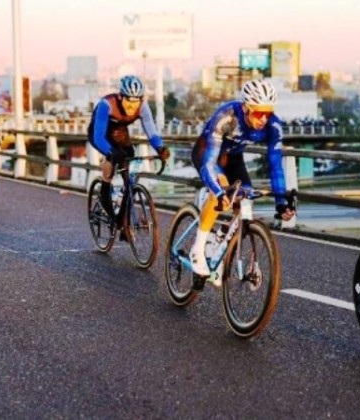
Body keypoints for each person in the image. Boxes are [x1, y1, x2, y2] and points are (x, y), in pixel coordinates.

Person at [189, 79, 296, 278]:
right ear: (246, 107)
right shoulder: (227, 117)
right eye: (258, 112)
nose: (263, 118)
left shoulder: (273, 126)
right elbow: (209, 163)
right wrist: (219, 192)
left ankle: (221, 237)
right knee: (219, 193)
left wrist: (281, 202)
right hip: (208, 154)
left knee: (245, 201)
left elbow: (275, 166)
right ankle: (198, 248)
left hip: (233, 158)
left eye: (268, 112)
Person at [87, 75, 169, 223]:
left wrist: (160, 148)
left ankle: (125, 215)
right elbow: (99, 137)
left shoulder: (143, 107)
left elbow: (151, 130)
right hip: (99, 133)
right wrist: (111, 152)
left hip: (120, 133)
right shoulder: (107, 104)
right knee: (113, 159)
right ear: (121, 97)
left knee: (129, 161)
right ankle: (106, 192)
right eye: (128, 102)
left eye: (136, 102)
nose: (132, 106)